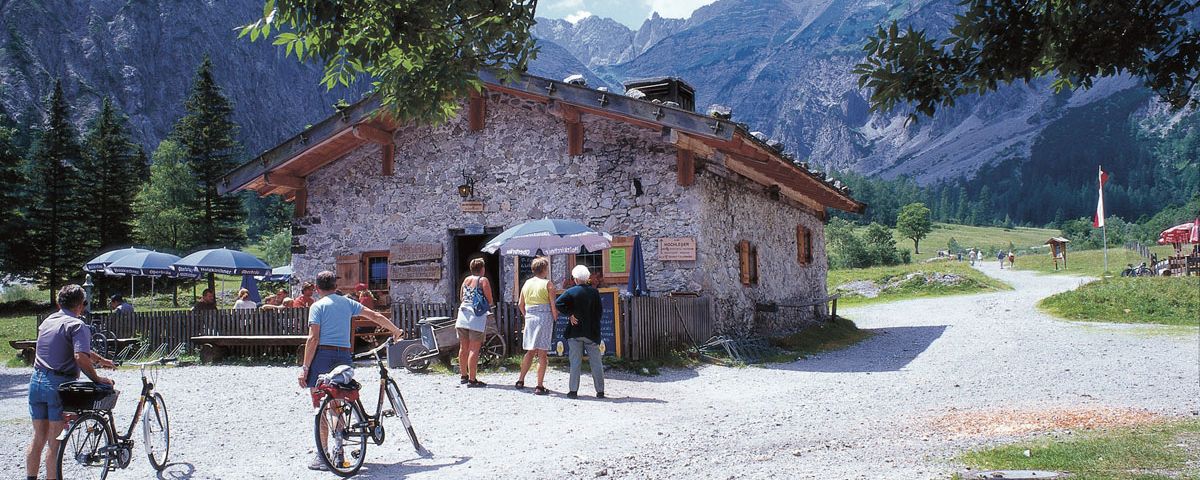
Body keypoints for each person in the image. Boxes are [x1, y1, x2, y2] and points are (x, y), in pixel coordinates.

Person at [298, 270, 403, 471]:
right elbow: (374, 315)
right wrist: (395, 330)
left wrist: (305, 368)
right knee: (338, 403)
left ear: (317, 288)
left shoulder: (317, 306)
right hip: (344, 355)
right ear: (335, 286)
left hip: (323, 356)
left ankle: (324, 456)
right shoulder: (347, 303)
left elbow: (313, 339)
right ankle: (339, 452)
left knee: (321, 406)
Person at [27, 285, 115, 480]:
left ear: (60, 303)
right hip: (58, 385)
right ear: (81, 306)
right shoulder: (77, 325)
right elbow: (80, 356)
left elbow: (79, 349)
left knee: (38, 437)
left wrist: (100, 360)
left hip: (36, 381)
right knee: (55, 442)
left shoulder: (48, 321)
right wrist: (98, 378)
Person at [555, 265, 605, 399]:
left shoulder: (571, 292)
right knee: (596, 362)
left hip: (575, 331)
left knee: (575, 362)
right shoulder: (594, 292)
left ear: (575, 279)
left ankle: (573, 391)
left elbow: (558, 303)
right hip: (591, 332)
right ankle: (600, 391)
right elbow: (599, 312)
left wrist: (570, 314)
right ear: (587, 277)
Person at [516, 257, 558, 395]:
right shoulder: (548, 285)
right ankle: (539, 385)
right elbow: (553, 306)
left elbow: (520, 304)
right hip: (544, 317)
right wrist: (555, 318)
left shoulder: (526, 283)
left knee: (530, 351)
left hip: (530, 317)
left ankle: (521, 380)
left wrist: (527, 315)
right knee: (542, 353)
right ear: (544, 269)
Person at [455, 258, 493, 387]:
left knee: (463, 348)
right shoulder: (483, 280)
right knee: (474, 349)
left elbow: (461, 297)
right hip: (476, 317)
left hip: (462, 315)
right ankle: (472, 379)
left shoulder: (466, 280)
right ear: (482, 269)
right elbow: (490, 299)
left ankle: (463, 376)